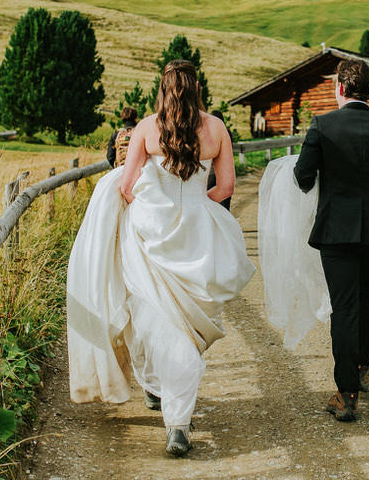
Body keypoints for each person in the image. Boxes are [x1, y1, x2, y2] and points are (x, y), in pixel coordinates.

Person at [66, 60, 255, 456]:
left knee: (153, 314)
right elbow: (226, 187)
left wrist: (151, 210)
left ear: (164, 89)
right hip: (199, 237)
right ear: (195, 88)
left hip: (151, 235)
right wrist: (196, 209)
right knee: (185, 327)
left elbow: (127, 184)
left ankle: (162, 394)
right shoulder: (217, 128)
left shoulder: (147, 128)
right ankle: (177, 418)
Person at [293, 58, 369, 422]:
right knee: (368, 298)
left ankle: (346, 394)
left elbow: (303, 176)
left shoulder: (322, 125)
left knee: (344, 306)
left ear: (341, 89)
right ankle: (362, 369)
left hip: (337, 233)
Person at [206, 109, 232, 211]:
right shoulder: (227, 133)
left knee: (209, 203)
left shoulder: (209, 133)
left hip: (211, 171)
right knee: (224, 204)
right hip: (225, 171)